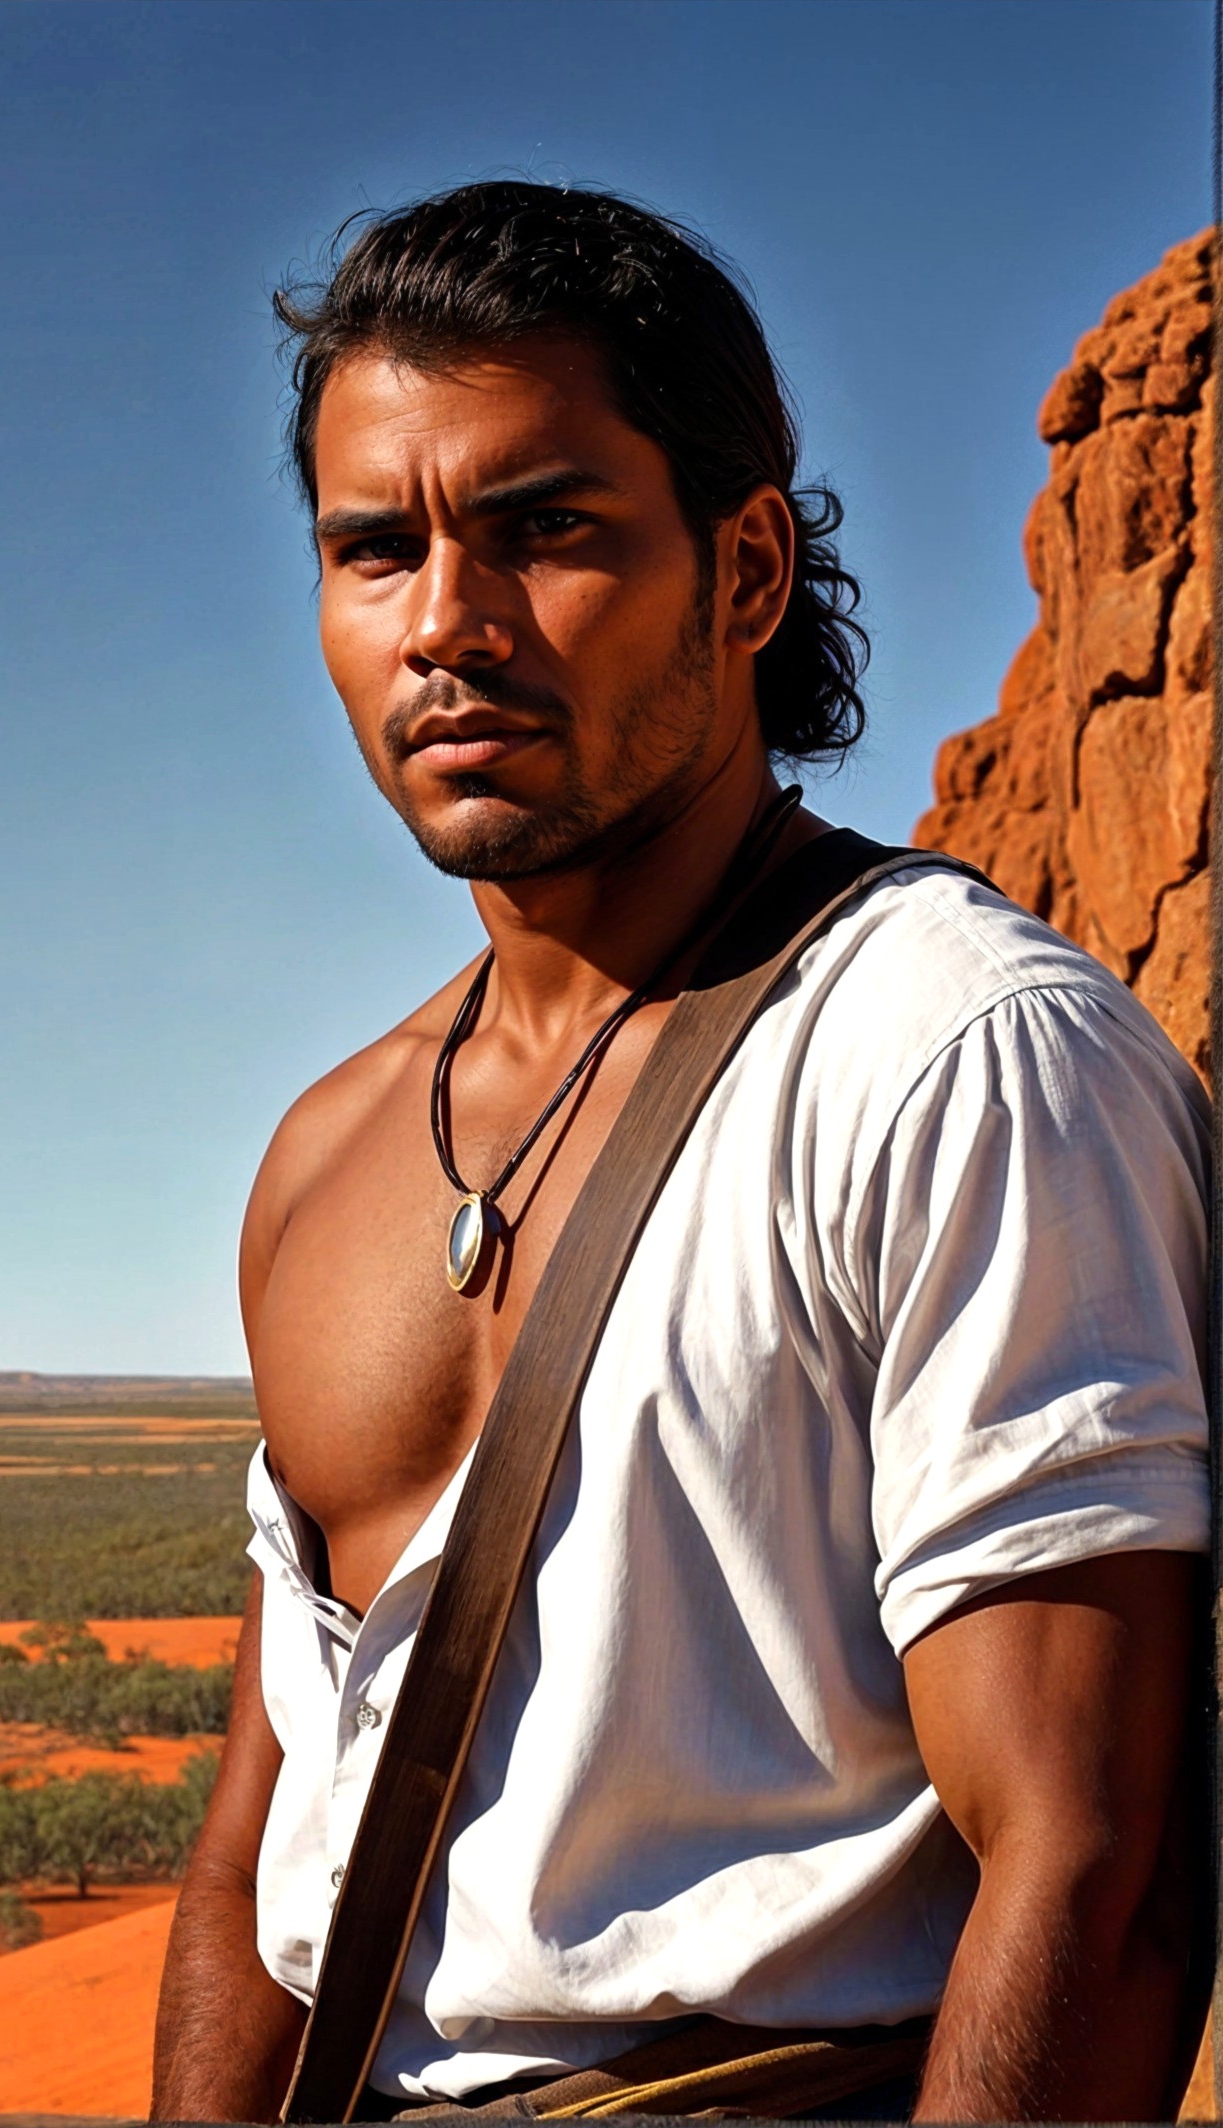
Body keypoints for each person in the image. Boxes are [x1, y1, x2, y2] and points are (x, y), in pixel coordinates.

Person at [148, 184, 1212, 2124]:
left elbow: (1095, 1865)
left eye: (543, 529)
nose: (445, 626)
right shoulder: (325, 1155)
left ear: (741, 576)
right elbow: (260, 1858)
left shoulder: (951, 1055)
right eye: (373, 550)